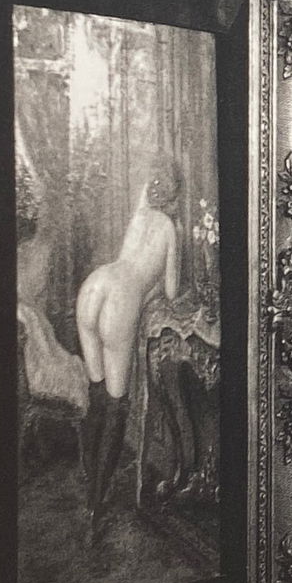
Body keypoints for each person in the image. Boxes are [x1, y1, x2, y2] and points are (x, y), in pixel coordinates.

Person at [76, 155, 182, 522]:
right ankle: (94, 504)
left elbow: (129, 246)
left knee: (96, 393)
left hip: (95, 285)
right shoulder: (169, 228)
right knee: (116, 405)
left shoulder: (138, 217)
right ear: (176, 193)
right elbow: (170, 291)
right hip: (122, 299)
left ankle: (90, 479)